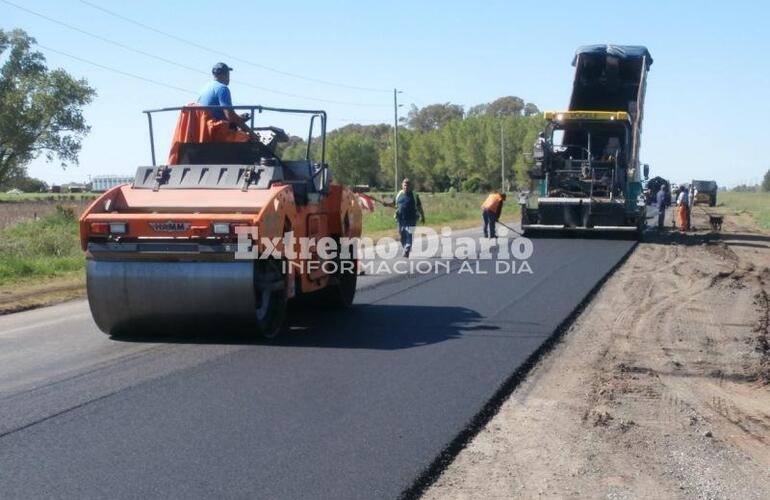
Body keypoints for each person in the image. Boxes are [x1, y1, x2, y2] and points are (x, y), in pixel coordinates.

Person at [197, 62, 256, 139]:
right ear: (224, 75)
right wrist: (250, 132)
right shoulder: (222, 88)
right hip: (217, 132)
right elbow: (230, 115)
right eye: (228, 74)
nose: (229, 77)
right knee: (249, 140)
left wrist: (239, 118)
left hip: (204, 130)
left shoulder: (206, 87)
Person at [394, 178, 425, 257]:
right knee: (402, 235)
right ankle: (406, 248)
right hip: (400, 219)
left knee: (409, 234)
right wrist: (386, 204)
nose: (406, 187)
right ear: (402, 185)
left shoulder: (414, 195)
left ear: (410, 186)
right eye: (405, 185)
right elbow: (394, 204)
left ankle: (407, 248)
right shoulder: (399, 194)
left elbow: (419, 207)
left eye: (408, 185)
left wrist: (422, 216)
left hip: (412, 218)